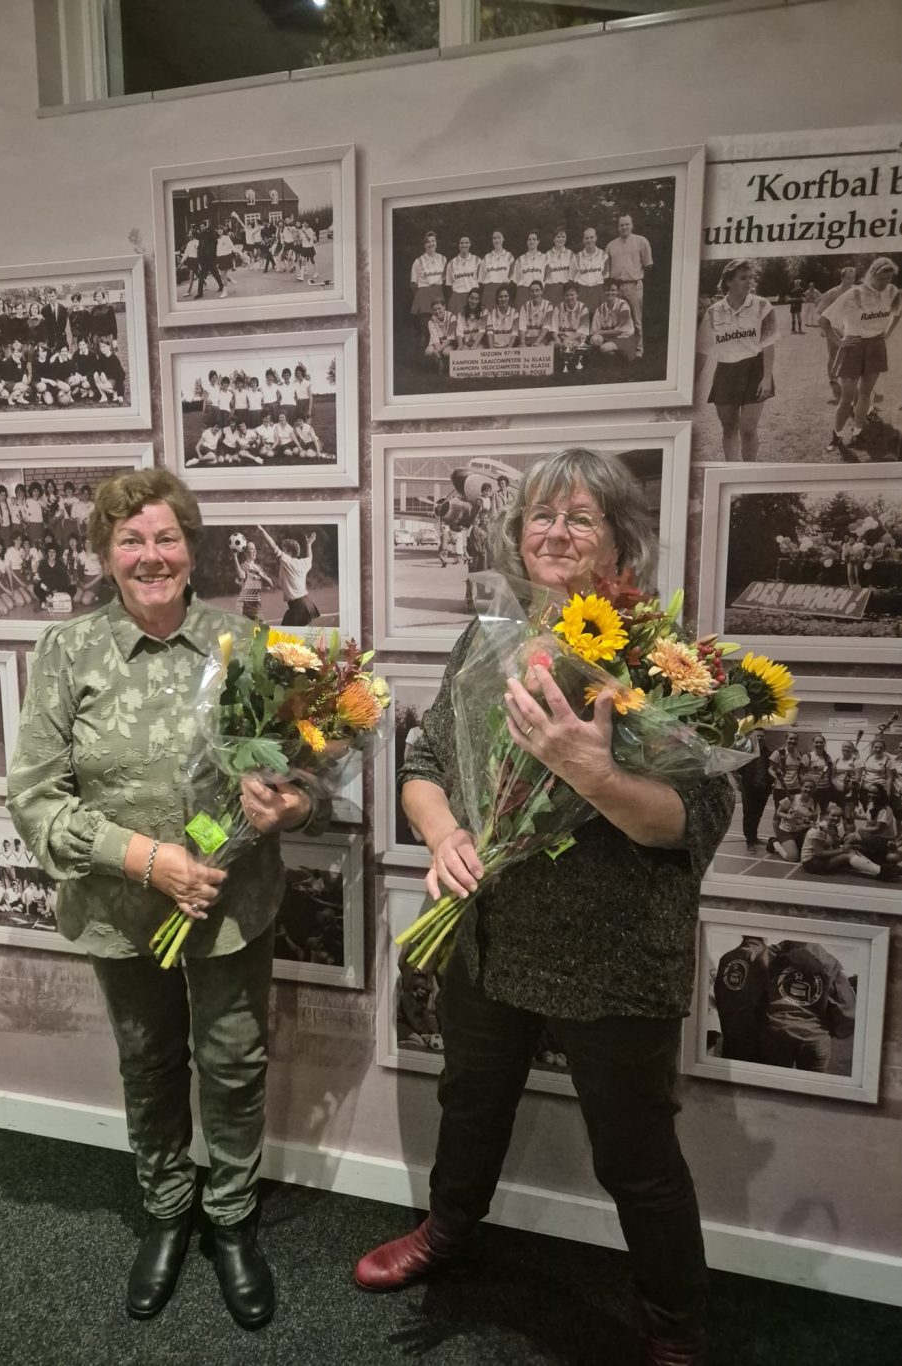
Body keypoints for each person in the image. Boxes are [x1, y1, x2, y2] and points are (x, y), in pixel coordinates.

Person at [353, 447, 735, 1366]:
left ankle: (674, 1326)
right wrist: (445, 834)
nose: (555, 533)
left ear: (619, 542)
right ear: (514, 534)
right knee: (468, 1102)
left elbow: (696, 819)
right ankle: (449, 1231)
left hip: (614, 951)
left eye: (580, 517)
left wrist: (593, 773)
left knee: (634, 1155)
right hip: (490, 934)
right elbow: (424, 763)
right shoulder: (487, 641)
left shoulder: (660, 662)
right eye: (539, 515)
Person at [6, 467, 326, 1330]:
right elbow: (33, 798)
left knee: (233, 1062)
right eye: (130, 540)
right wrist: (148, 861)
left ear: (191, 548)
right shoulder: (67, 651)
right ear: (105, 554)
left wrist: (290, 805)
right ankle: (166, 1209)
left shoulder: (245, 645)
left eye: (166, 538)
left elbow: (307, 778)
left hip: (230, 903)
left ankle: (231, 1219)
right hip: (122, 908)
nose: (151, 556)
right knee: (148, 1064)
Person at [695, 259, 777, 462]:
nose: (749, 282)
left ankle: (749, 470)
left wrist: (767, 378)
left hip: (754, 370)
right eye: (743, 278)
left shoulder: (762, 306)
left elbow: (768, 344)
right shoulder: (713, 312)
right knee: (729, 427)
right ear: (728, 282)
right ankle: (732, 470)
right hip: (726, 373)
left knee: (748, 428)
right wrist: (691, 383)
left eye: (751, 277)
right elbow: (702, 351)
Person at [820, 257, 901, 456]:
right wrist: (840, 342)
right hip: (854, 345)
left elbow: (897, 313)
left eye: (888, 279)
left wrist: (888, 332)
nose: (884, 283)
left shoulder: (892, 291)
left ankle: (857, 433)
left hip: (876, 346)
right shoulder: (854, 293)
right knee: (847, 398)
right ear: (872, 274)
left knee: (865, 395)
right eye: (881, 279)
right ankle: (837, 435)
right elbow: (824, 320)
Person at [759, 941, 856, 1072]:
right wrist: (830, 1030)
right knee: (811, 1084)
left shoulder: (768, 956)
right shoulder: (830, 962)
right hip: (815, 1037)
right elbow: (846, 1011)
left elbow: (753, 991)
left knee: (775, 1082)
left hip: (777, 1033)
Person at [713, 936, 769, 1062]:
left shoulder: (726, 957)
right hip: (754, 1035)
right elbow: (767, 997)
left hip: (729, 1029)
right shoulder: (764, 959)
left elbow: (718, 993)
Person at [605, 214, 653, 360]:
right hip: (616, 288)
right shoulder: (610, 245)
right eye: (621, 225)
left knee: (636, 320)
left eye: (627, 224)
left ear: (632, 225)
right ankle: (618, 348)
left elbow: (648, 265)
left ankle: (638, 350)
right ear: (618, 227)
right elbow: (606, 269)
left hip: (634, 285)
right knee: (616, 319)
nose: (624, 227)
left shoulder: (641, 241)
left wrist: (638, 280)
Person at [255, 524, 317, 627]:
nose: (281, 551)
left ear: (290, 552)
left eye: (283, 549)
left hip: (298, 606)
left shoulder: (288, 561)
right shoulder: (303, 563)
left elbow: (273, 547)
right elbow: (309, 558)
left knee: (286, 633)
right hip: (304, 603)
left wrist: (262, 531)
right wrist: (309, 544)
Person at [815, 265, 858, 403]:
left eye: (853, 278)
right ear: (842, 278)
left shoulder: (857, 291)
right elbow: (820, 312)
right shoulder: (832, 293)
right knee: (834, 355)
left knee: (852, 355)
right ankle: (833, 379)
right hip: (834, 329)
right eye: (848, 278)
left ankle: (849, 382)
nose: (851, 281)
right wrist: (823, 329)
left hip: (852, 329)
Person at [590, 281, 637, 361]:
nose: (610, 293)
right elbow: (594, 331)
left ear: (617, 291)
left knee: (604, 348)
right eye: (607, 290)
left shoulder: (623, 306)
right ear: (604, 292)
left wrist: (601, 332)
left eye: (613, 290)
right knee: (594, 339)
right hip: (607, 337)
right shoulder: (600, 309)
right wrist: (598, 334)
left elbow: (619, 331)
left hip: (624, 338)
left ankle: (619, 357)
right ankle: (608, 357)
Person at [233, 540, 273, 620]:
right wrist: (235, 557)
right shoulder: (243, 567)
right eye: (251, 549)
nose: (254, 551)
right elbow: (241, 575)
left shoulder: (258, 568)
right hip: (247, 610)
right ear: (245, 552)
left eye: (255, 549)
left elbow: (270, 583)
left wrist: (258, 573)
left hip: (256, 609)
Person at [573, 226, 609, 315]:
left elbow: (606, 277)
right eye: (587, 238)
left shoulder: (604, 255)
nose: (589, 240)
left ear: (596, 238)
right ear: (583, 240)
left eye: (591, 237)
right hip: (582, 293)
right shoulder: (576, 257)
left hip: (598, 292)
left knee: (598, 319)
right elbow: (572, 278)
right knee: (583, 319)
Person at [444, 235, 481, 315]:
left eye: (466, 243)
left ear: (470, 244)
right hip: (458, 298)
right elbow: (449, 285)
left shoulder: (477, 260)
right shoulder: (451, 263)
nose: (464, 245)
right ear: (458, 244)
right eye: (461, 243)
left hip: (473, 297)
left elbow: (481, 281)